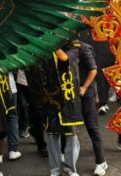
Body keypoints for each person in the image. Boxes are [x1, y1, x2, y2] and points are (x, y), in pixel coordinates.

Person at [26, 47, 83, 176]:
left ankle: (70, 167)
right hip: (50, 100)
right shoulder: (40, 50)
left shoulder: (74, 45)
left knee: (71, 135)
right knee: (52, 136)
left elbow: (64, 58)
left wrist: (50, 45)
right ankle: (55, 170)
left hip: (69, 100)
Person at [65, 37, 108, 176]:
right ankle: (68, 163)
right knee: (68, 128)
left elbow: (93, 70)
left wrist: (84, 87)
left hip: (85, 94)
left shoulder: (84, 48)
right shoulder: (64, 48)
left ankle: (101, 162)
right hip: (70, 95)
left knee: (92, 127)